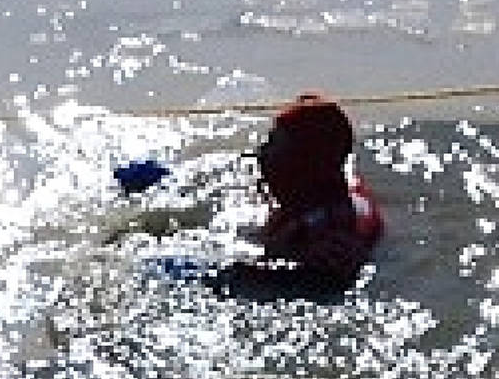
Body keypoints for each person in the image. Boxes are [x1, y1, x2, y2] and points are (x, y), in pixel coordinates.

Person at [115, 92, 383, 298]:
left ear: (302, 165)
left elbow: (303, 278)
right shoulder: (333, 186)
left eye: (274, 147)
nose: (260, 155)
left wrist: (209, 275)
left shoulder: (319, 233)